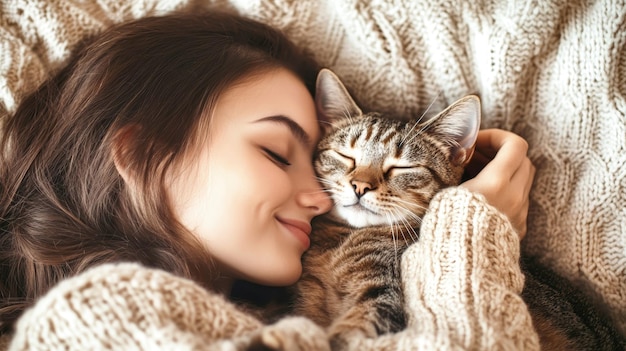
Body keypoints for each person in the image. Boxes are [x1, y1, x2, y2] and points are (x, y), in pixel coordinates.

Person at [0, 9, 537, 350]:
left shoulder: (264, 318)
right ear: (143, 155)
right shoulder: (82, 327)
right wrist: (468, 237)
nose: (318, 195)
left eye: (315, 158)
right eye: (277, 153)